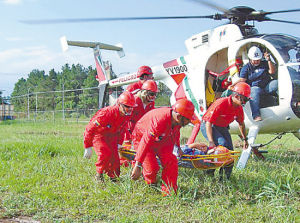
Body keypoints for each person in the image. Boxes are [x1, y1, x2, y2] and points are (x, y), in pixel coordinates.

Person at [130, 98, 195, 196]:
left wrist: (178, 147)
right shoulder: (159, 121)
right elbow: (145, 142)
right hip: (142, 138)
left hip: (163, 139)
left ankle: (169, 192)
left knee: (171, 161)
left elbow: (176, 133)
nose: (189, 122)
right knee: (152, 169)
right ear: (178, 116)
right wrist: (138, 165)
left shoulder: (178, 121)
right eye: (188, 120)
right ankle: (151, 185)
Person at [83, 91, 137, 182]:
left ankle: (114, 177)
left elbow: (122, 130)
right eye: (127, 107)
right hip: (99, 135)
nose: (130, 110)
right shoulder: (106, 113)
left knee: (115, 160)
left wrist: (119, 143)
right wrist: (87, 146)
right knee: (104, 154)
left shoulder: (127, 115)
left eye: (131, 107)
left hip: (112, 136)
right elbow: (90, 128)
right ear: (119, 104)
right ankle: (99, 175)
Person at [200, 82, 250, 180]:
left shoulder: (239, 108)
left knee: (230, 152)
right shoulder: (221, 103)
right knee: (221, 147)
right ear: (236, 96)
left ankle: (224, 178)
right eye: (245, 99)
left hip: (222, 127)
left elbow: (241, 124)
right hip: (209, 125)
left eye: (247, 100)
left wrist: (245, 139)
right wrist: (211, 142)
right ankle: (208, 174)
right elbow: (208, 123)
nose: (245, 102)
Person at [120, 80, 158, 167]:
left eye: (155, 94)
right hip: (129, 131)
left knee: (140, 152)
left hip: (141, 132)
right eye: (152, 94)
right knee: (126, 155)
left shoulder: (151, 104)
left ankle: (137, 166)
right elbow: (125, 119)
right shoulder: (135, 101)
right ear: (145, 93)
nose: (154, 97)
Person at [237, 46, 278, 122]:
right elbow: (242, 80)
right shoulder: (246, 68)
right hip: (256, 88)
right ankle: (256, 115)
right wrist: (234, 85)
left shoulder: (264, 64)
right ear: (250, 58)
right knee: (254, 90)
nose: (256, 61)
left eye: (258, 60)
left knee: (277, 83)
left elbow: (272, 72)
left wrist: (269, 60)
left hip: (267, 86)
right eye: (255, 60)